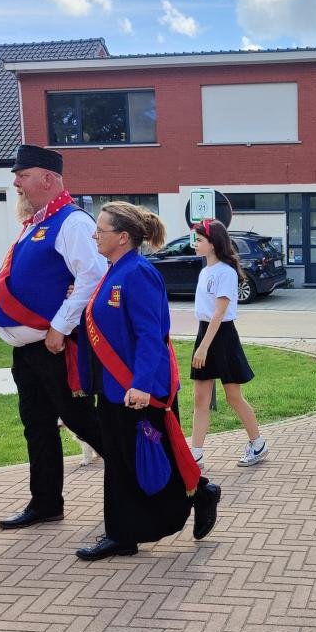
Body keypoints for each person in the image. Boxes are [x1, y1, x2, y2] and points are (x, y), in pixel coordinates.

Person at [76, 202, 220, 561]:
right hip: (115, 387)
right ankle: (127, 532)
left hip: (139, 390)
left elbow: (149, 334)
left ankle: (187, 500)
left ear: (123, 237)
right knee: (127, 462)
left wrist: (140, 384)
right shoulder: (115, 269)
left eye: (101, 230)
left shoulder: (138, 273)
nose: (95, 235)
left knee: (145, 460)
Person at [0, 143, 107, 530]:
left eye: (22, 175)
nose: (16, 183)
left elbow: (92, 277)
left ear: (47, 178)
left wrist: (59, 327)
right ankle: (45, 503)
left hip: (55, 347)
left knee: (84, 423)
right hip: (30, 351)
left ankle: (150, 486)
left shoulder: (72, 222)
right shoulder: (35, 224)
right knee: (37, 425)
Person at [189, 219, 268, 468]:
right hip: (205, 332)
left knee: (233, 396)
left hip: (222, 336)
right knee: (200, 400)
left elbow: (219, 312)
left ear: (213, 244)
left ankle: (258, 444)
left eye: (199, 240)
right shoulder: (205, 271)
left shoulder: (226, 272)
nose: (195, 244)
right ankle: (196, 454)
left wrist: (204, 347)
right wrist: (202, 343)